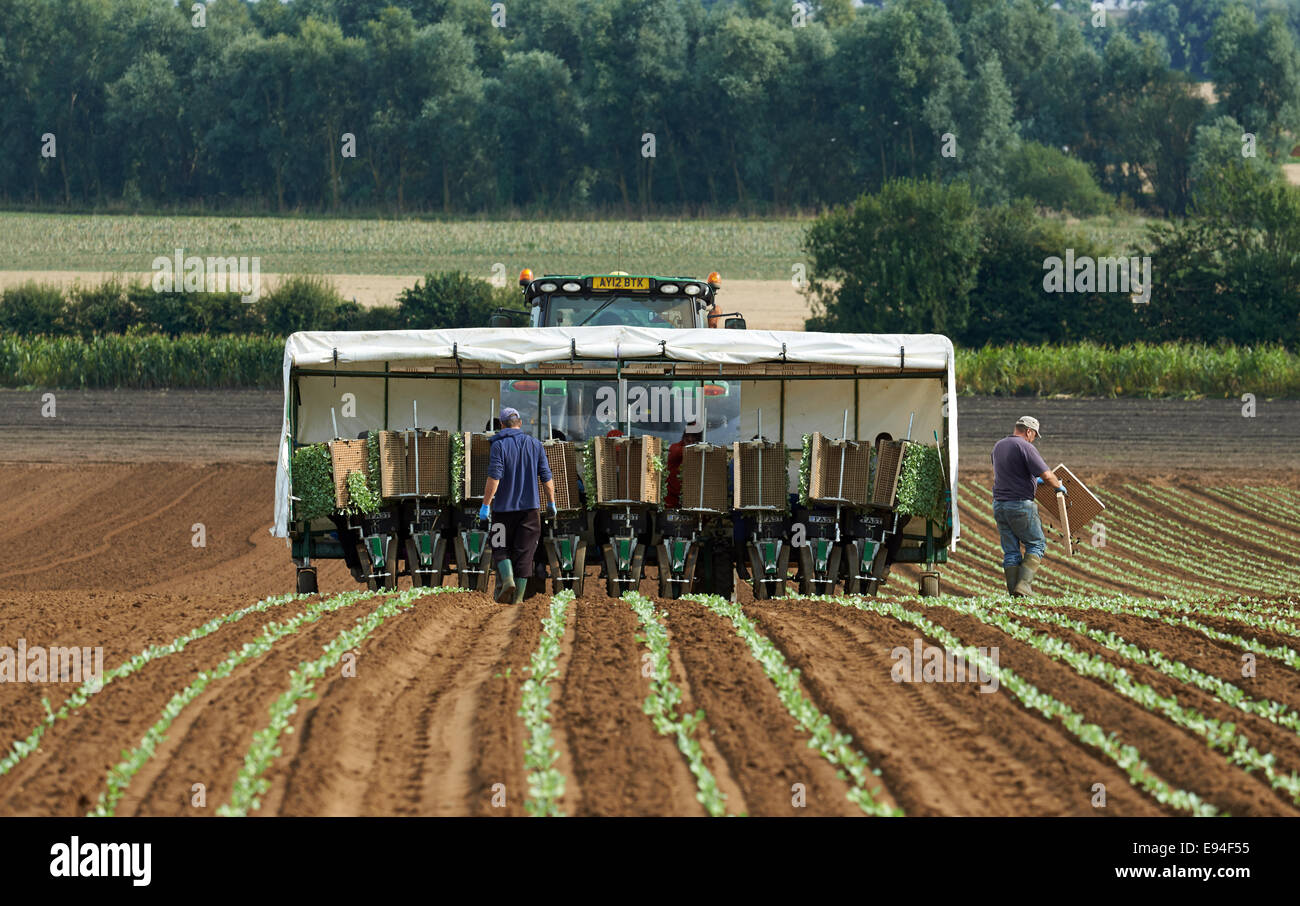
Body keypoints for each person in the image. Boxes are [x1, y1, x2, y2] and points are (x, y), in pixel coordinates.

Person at [481, 407, 557, 604]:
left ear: (501, 425)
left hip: (503, 511)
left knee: (499, 546)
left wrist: (486, 505)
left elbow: (494, 478)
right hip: (530, 512)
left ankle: (507, 581)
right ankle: (518, 600)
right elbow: (547, 478)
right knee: (525, 554)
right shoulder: (535, 444)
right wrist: (551, 503)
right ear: (520, 423)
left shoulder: (498, 446)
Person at [991, 416, 1066, 596]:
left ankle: (1014, 593)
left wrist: (1033, 481)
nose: (1033, 439)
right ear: (1029, 431)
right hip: (1020, 504)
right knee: (1036, 543)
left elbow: (1011, 473)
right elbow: (1048, 475)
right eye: (1034, 435)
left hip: (999, 505)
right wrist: (1058, 486)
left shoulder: (998, 446)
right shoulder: (1025, 446)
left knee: (1011, 551)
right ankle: (1024, 586)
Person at [665, 419, 704, 508]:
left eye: (694, 437)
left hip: (690, 497)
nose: (690, 439)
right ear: (684, 436)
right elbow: (681, 452)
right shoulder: (675, 448)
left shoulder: (699, 451)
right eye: (688, 436)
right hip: (671, 498)